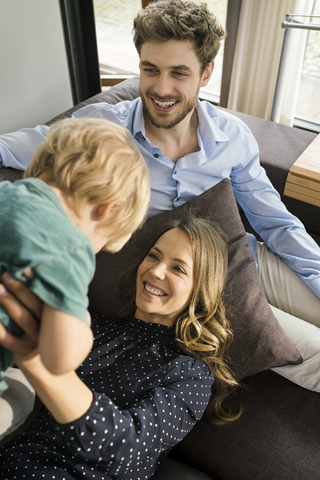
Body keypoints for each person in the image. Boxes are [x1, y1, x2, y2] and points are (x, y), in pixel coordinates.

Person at [0, 1, 319, 324]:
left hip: (241, 257)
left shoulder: (233, 138)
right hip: (187, 287)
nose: (161, 88)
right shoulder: (99, 132)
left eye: (179, 73)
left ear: (205, 73)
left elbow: (276, 223)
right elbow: (12, 147)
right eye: (150, 69)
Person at [0, 217, 239, 480]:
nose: (157, 271)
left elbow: (125, 447)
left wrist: (35, 362)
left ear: (201, 289)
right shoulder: (93, 327)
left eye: (178, 269)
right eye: (153, 256)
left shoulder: (191, 376)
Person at [0, 117, 150, 394]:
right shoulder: (71, 245)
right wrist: (82, 325)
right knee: (20, 399)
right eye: (102, 244)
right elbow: (58, 359)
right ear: (108, 209)